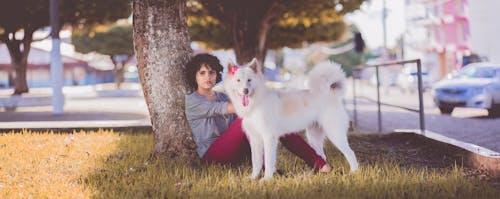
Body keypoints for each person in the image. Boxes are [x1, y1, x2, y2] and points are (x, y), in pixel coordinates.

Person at [184, 53, 331, 172]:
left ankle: (320, 164)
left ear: (217, 74)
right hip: (213, 155)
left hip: (238, 150)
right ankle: (266, 169)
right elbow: (238, 109)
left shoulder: (223, 96)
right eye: (202, 73)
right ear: (194, 76)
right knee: (247, 117)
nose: (207, 77)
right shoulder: (192, 101)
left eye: (211, 72)